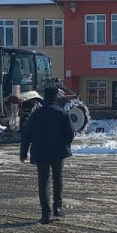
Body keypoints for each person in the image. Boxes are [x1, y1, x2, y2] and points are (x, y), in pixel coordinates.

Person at [20, 86, 74, 224]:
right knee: (57, 179)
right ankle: (57, 208)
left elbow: (26, 134)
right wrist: (65, 145)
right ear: (55, 96)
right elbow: (70, 133)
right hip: (58, 152)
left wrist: (23, 152)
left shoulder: (36, 114)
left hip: (40, 152)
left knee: (43, 182)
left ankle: (45, 214)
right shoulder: (62, 113)